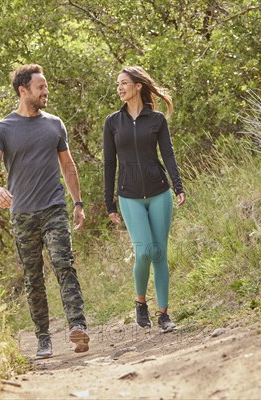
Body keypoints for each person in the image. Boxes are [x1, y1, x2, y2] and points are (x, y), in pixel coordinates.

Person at [0, 64, 90, 358]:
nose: (46, 92)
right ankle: (43, 338)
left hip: (54, 207)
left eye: (46, 87)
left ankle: (78, 326)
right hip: (23, 214)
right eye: (40, 87)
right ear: (23, 91)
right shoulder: (2, 128)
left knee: (63, 264)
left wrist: (78, 203)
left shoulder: (54, 124)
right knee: (33, 276)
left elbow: (68, 166)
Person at [103, 66, 186, 333]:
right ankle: (141, 302)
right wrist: (109, 202)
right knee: (145, 250)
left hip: (159, 192)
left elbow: (169, 154)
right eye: (118, 84)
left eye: (124, 83)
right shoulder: (113, 122)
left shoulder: (157, 120)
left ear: (138, 86)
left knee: (160, 252)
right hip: (129, 196)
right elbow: (109, 163)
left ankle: (163, 313)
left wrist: (178, 185)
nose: (119, 88)